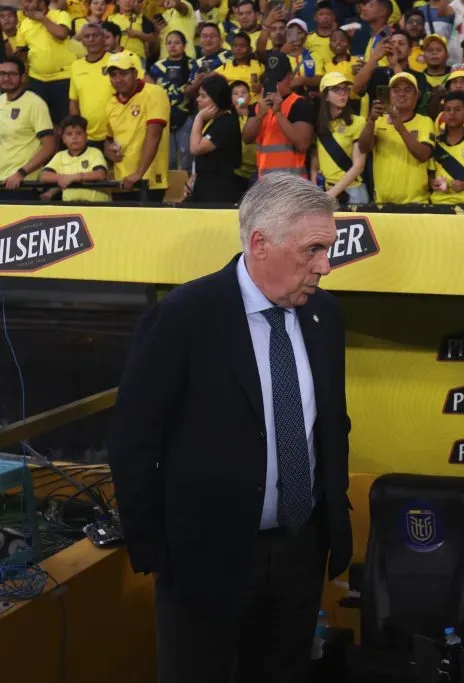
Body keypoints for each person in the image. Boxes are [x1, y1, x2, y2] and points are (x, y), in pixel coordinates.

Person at [108, 174, 353, 683]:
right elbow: (133, 441)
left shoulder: (325, 316)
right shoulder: (183, 317)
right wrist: (155, 550)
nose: (325, 267)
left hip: (300, 553)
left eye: (328, 250)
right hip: (204, 561)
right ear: (260, 243)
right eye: (313, 250)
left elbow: (330, 424)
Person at [357, 71, 434, 203]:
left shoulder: (425, 121)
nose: (401, 94)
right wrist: (371, 121)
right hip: (383, 202)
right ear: (389, 94)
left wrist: (400, 126)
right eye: (396, 90)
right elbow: (363, 148)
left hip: (416, 202)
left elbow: (423, 154)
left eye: (408, 90)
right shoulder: (378, 121)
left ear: (417, 96)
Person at [104, 50, 171, 200]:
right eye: (113, 75)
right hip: (121, 182)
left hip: (149, 181)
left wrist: (138, 174)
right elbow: (108, 139)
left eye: (123, 73)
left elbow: (154, 135)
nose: (118, 79)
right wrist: (108, 151)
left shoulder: (154, 93)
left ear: (136, 73)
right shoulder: (111, 103)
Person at [242, 51, 315, 178]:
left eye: (278, 79)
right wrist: (260, 116)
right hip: (265, 182)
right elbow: (246, 139)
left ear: (290, 78)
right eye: (270, 79)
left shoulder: (300, 104)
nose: (274, 84)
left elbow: (302, 144)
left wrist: (278, 113)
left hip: (292, 183)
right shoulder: (258, 106)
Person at [0, 56, 57, 201]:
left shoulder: (35, 103)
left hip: (22, 183)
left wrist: (21, 173)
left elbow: (49, 146)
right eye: (2, 74)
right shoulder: (0, 101)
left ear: (23, 77)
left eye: (12, 74)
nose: (6, 78)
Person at [14, 0, 76, 123]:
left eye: (29, 1)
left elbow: (62, 33)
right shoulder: (24, 24)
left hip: (63, 78)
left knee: (64, 122)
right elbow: (20, 53)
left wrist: (42, 19)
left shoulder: (60, 15)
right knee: (39, 121)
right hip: (37, 80)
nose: (24, 5)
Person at [312, 71, 368, 203]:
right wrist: (316, 188)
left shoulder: (358, 122)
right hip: (325, 191)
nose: (342, 93)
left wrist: (331, 194)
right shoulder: (319, 124)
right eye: (336, 89)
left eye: (345, 89)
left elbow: (358, 165)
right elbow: (315, 158)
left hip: (352, 193)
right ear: (325, 96)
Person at [189, 73, 243, 203]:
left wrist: (198, 118)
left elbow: (195, 148)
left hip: (219, 189)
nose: (198, 99)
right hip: (205, 185)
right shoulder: (215, 120)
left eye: (203, 96)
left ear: (216, 99)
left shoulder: (226, 123)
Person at [147, 30, 196, 171]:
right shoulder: (157, 67)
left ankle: (185, 190)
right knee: (169, 159)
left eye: (177, 43)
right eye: (169, 43)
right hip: (163, 116)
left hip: (185, 115)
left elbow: (192, 89)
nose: (172, 46)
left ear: (184, 45)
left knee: (185, 155)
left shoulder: (192, 64)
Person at [39, 113, 110, 202]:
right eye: (69, 134)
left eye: (79, 133)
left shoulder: (95, 152)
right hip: (70, 208)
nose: (74, 137)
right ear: (63, 139)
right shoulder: (60, 156)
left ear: (86, 137)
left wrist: (75, 177)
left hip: (96, 207)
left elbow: (101, 175)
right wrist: (62, 178)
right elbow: (44, 176)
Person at [68, 21, 114, 149]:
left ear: (104, 38)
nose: (91, 39)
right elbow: (73, 101)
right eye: (87, 36)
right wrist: (78, 130)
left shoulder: (115, 60)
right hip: (88, 137)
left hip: (116, 133)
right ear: (82, 41)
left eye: (95, 35)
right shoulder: (76, 66)